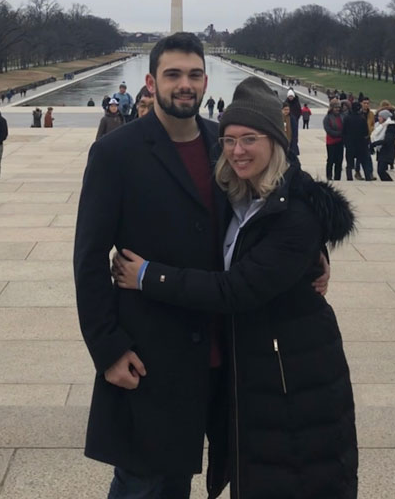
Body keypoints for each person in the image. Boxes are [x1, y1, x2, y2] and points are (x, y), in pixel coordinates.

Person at [74, 34, 330, 499]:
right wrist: (107, 348)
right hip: (151, 351)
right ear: (151, 82)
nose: (185, 84)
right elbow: (88, 259)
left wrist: (315, 251)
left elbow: (282, 196)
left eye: (194, 75)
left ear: (206, 82)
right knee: (146, 483)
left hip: (225, 349)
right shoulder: (115, 153)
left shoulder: (224, 142)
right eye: (173, 74)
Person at [343, 102, 373, 181]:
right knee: (364, 162)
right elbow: (366, 132)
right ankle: (368, 177)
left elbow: (343, 132)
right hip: (361, 144)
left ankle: (349, 178)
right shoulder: (362, 119)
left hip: (350, 144)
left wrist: (345, 142)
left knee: (349, 164)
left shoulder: (347, 118)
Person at [371, 109, 395, 181]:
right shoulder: (381, 126)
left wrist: (375, 144)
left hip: (387, 151)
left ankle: (390, 183)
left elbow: (388, 140)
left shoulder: (390, 127)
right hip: (381, 151)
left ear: (384, 118)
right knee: (380, 171)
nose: (378, 118)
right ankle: (388, 183)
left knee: (381, 171)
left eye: (380, 117)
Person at [323, 99, 344, 180]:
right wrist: (339, 134)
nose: (337, 109)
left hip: (340, 141)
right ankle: (329, 176)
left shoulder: (342, 116)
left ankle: (337, 177)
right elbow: (328, 130)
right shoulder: (327, 118)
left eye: (338, 107)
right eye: (335, 107)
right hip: (331, 142)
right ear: (332, 108)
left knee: (339, 160)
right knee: (331, 160)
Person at [285, 89, 301, 156]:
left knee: (294, 134)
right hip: (287, 119)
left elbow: (299, 111)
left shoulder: (296, 103)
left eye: (291, 96)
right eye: (289, 96)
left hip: (294, 120)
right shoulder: (286, 102)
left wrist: (295, 118)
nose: (290, 98)